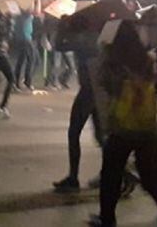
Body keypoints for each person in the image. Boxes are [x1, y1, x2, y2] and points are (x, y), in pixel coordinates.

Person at [90, 24, 157, 227]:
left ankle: (107, 219)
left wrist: (104, 55)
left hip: (122, 127)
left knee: (111, 175)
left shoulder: (113, 63)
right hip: (147, 127)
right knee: (153, 175)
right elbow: (156, 85)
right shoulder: (148, 61)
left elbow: (103, 86)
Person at [53, 18, 104, 192]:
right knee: (101, 136)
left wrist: (62, 28)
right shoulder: (99, 36)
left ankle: (73, 177)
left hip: (88, 92)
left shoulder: (83, 39)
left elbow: (59, 45)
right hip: (99, 90)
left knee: (74, 132)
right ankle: (111, 173)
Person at [13, 4, 38, 91]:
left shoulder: (19, 14)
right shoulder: (26, 14)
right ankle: (27, 81)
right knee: (31, 60)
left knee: (21, 60)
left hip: (21, 39)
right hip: (26, 39)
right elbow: (36, 11)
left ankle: (17, 82)